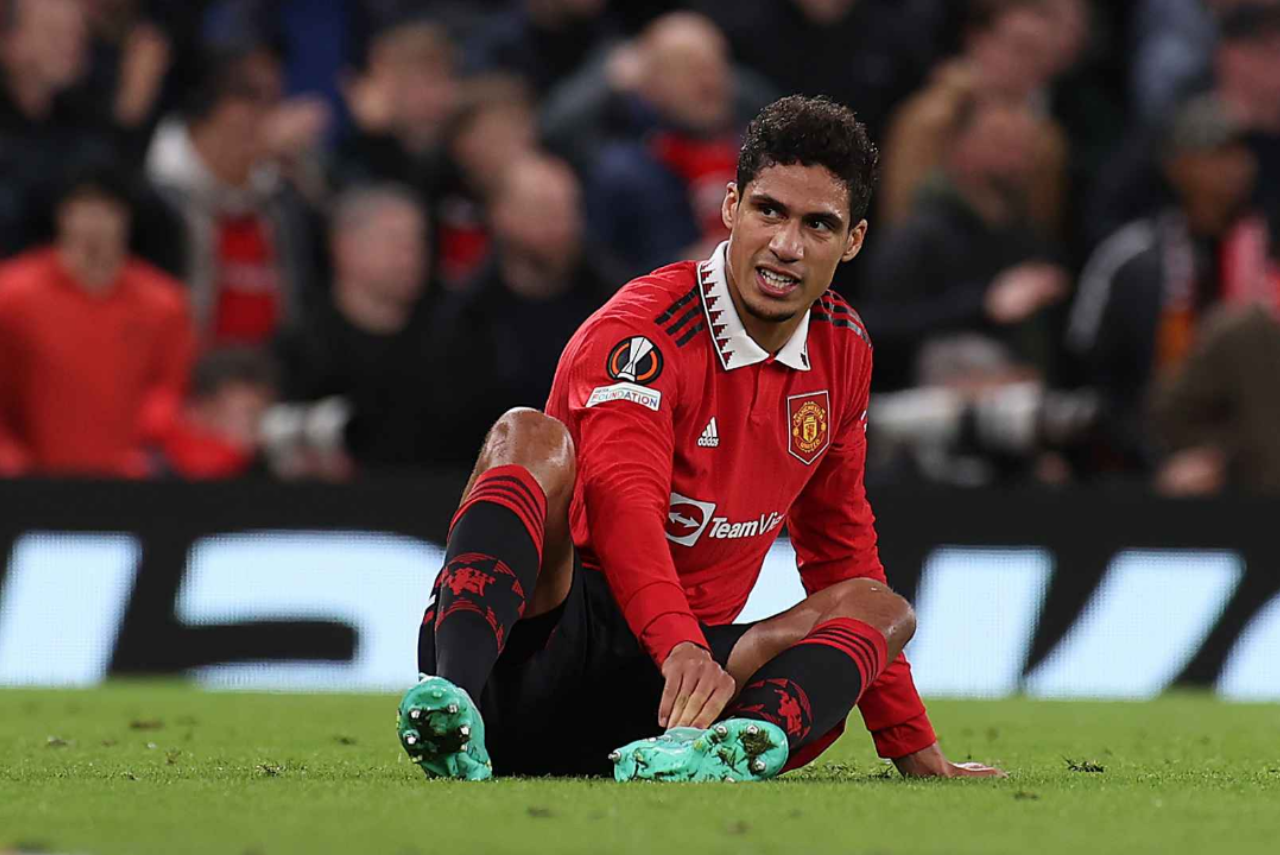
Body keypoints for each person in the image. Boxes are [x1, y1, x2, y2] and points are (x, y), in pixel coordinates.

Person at [397, 95, 1003, 783]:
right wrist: (678, 643)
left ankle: (720, 755)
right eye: (769, 211)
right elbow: (625, 504)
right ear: (731, 207)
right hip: (543, 646)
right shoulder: (643, 332)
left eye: (818, 224)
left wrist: (913, 746)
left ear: (854, 240)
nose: (787, 246)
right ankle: (454, 702)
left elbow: (840, 545)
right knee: (528, 434)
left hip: (671, 700)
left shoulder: (842, 349)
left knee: (879, 605)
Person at [1067, 95, 1273, 473]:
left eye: (1241, 154)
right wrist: (1150, 461)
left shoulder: (1265, 251)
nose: (1234, 168)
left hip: (1255, 449)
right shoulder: (1132, 259)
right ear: (1177, 165)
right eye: (1217, 154)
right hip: (1154, 453)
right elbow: (1093, 377)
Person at [860, 96, 1070, 391]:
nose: (1017, 153)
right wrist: (984, 304)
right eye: (1000, 139)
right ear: (958, 143)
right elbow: (877, 327)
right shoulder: (920, 234)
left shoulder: (1026, 233)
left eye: (1024, 142)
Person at [0, 165, 195, 477]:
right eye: (82, 208)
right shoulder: (12, 295)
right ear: (61, 215)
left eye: (107, 210)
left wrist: (149, 449)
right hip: (31, 481)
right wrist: (12, 463)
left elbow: (171, 389)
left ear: (127, 218)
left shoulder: (164, 303)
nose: (94, 222)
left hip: (130, 480)